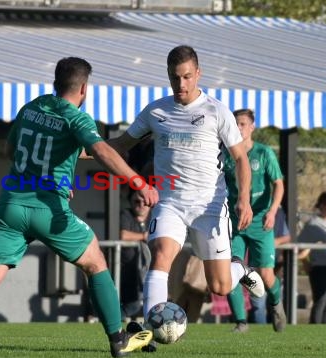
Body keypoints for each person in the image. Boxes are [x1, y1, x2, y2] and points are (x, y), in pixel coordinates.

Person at [0, 57, 159, 358]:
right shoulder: (77, 118)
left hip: (10, 205)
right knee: (95, 262)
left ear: (55, 82)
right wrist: (139, 182)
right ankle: (118, 338)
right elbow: (99, 151)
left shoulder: (32, 107)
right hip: (48, 209)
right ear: (84, 88)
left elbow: (11, 150)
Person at [108, 45, 266, 326]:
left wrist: (243, 199)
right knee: (160, 255)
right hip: (170, 203)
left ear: (198, 74)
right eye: (174, 77)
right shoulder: (156, 111)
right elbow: (120, 145)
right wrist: (81, 149)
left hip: (210, 206)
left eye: (187, 76)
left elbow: (240, 158)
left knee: (219, 285)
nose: (181, 84)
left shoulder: (216, 111)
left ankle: (239, 269)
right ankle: (152, 327)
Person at [223, 108, 287, 333]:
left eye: (242, 124)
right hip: (236, 223)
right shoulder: (226, 154)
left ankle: (276, 304)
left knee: (266, 275)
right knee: (230, 269)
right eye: (235, 124)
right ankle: (241, 322)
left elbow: (278, 184)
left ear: (252, 127)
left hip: (261, 223)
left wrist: (272, 212)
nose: (238, 128)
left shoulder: (263, 153)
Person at [249, 207, 291, 324]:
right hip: (252, 264)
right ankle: (259, 332)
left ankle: (277, 326)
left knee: (274, 301)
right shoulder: (247, 208)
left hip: (274, 264)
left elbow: (288, 236)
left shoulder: (279, 212)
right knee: (257, 303)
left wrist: (275, 242)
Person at [119, 189, 152, 320]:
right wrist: (144, 236)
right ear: (131, 202)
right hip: (127, 270)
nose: (141, 204)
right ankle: (112, 320)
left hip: (151, 271)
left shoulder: (156, 217)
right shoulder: (126, 214)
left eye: (145, 201)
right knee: (133, 305)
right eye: (137, 201)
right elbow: (123, 235)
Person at [297, 191, 326, 324]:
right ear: (322, 205)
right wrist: (305, 262)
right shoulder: (313, 224)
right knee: (320, 301)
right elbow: (299, 246)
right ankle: (314, 328)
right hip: (320, 268)